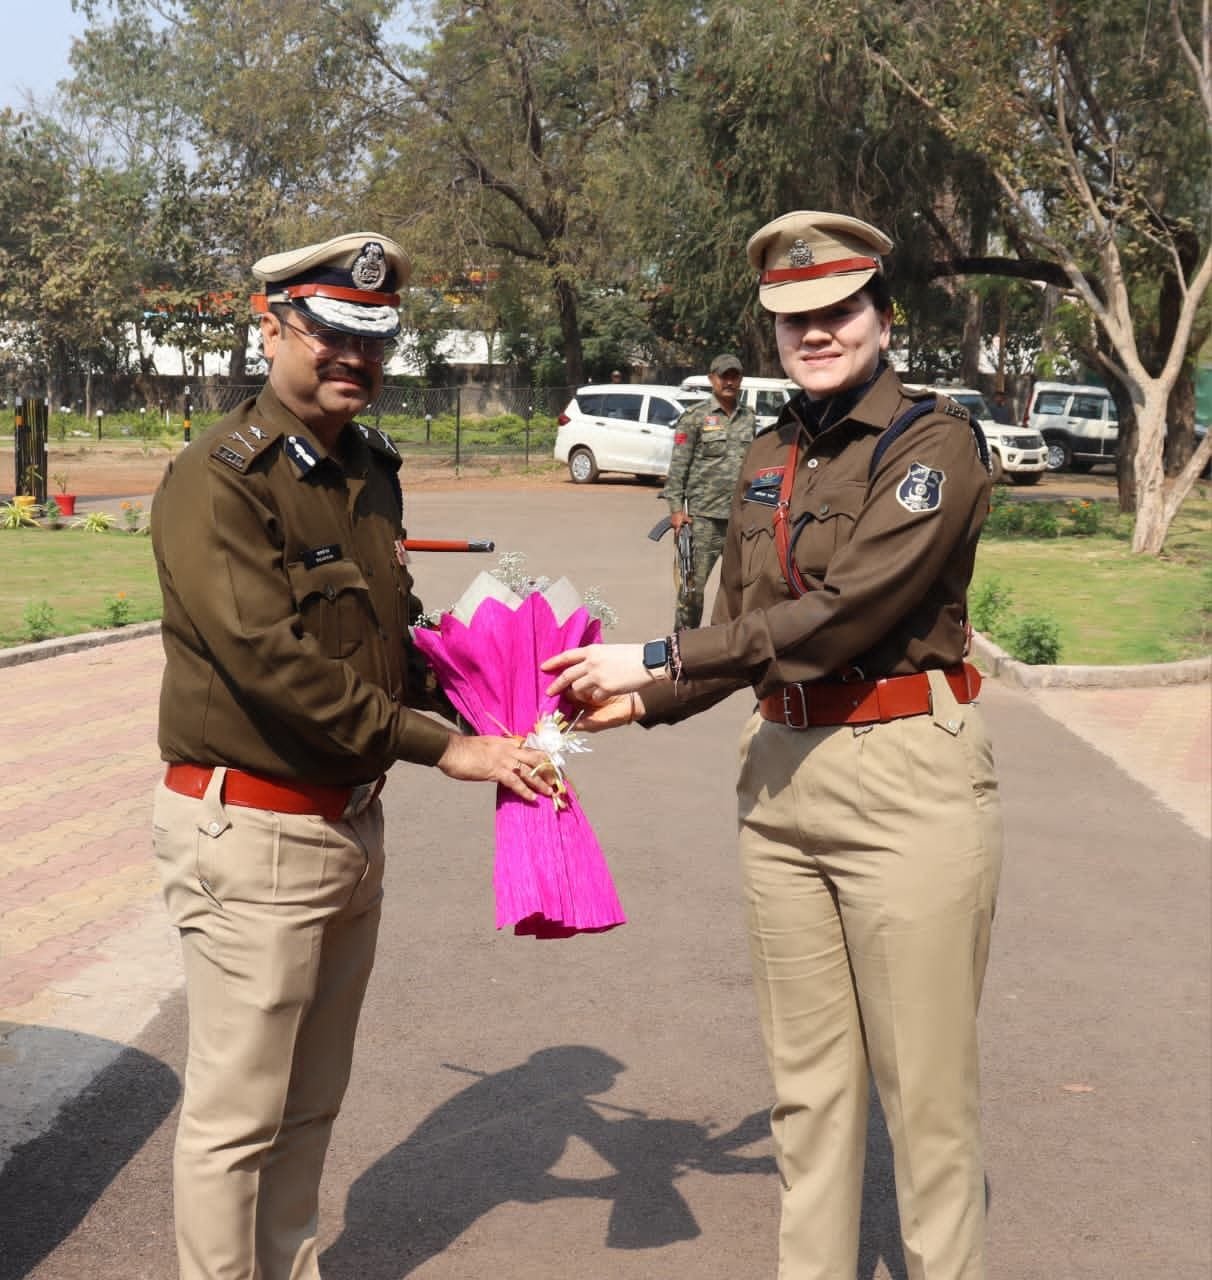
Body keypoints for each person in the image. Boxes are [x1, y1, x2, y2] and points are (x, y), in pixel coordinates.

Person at [543, 210, 1003, 1280]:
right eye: (795, 318)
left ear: (883, 316)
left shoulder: (931, 442)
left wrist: (651, 653)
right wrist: (640, 701)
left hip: (906, 773)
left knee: (926, 1103)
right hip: (782, 778)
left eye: (839, 309)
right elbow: (744, 628)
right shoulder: (768, 452)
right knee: (808, 1094)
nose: (817, 331)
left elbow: (842, 615)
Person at [150, 232, 551, 1280]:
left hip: (345, 825)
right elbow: (272, 664)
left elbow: (389, 640)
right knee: (238, 1117)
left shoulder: (368, 470)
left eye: (374, 339)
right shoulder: (220, 479)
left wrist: (505, 690)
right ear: (273, 327)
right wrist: (447, 748)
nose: (354, 357)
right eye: (331, 332)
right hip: (254, 826)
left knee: (309, 1104)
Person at [664, 352, 756, 629]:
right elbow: (678, 467)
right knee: (691, 591)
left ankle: (730, 644)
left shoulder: (748, 418)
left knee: (740, 588)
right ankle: (682, 646)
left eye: (734, 376)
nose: (729, 382)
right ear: (711, 379)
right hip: (703, 519)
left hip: (740, 519)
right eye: (723, 376)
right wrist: (676, 510)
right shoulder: (695, 417)